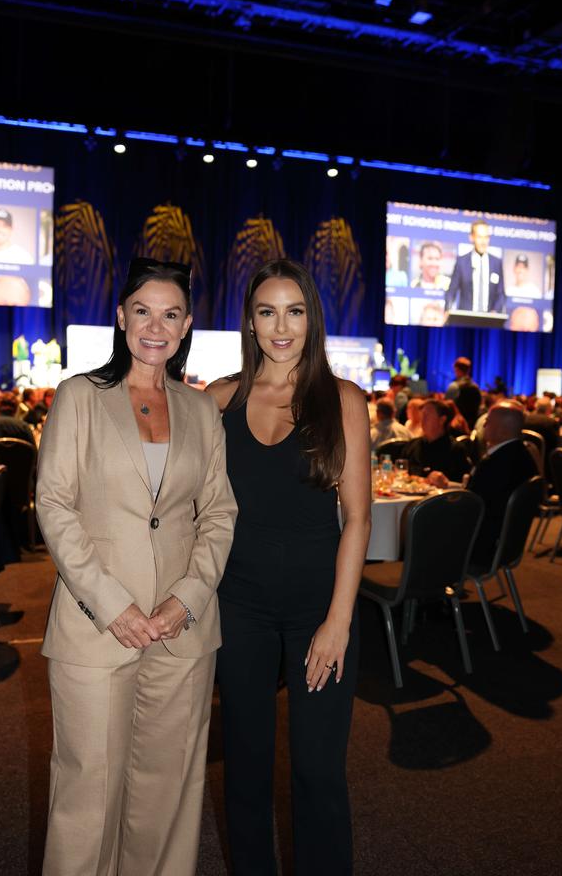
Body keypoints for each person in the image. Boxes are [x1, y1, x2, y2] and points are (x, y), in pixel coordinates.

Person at [36, 257, 236, 876]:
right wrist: (112, 603)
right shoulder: (80, 397)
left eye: (171, 314)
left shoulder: (201, 409)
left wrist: (189, 597)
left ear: (187, 325)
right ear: (121, 317)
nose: (157, 326)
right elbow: (54, 505)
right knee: (87, 795)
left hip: (182, 630)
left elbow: (218, 515)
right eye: (143, 311)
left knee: (168, 793)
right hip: (98, 628)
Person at [207, 258, 371, 876]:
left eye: (295, 311)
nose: (282, 326)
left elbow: (356, 518)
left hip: (316, 609)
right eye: (268, 311)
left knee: (317, 770)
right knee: (245, 767)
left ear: (312, 320)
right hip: (238, 606)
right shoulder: (219, 399)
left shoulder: (344, 400)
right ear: (250, 322)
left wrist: (338, 623)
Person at [466, 400, 539, 565]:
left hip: (480, 545)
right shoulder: (523, 456)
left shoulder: (495, 463)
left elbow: (473, 504)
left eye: (488, 422)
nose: (484, 426)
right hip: (507, 544)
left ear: (502, 430)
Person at [401, 398, 472, 487]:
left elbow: (464, 486)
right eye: (422, 415)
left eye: (427, 415)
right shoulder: (412, 446)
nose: (423, 419)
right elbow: (400, 473)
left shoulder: (455, 450)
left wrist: (446, 483)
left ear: (442, 420)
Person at [445, 219, 507, 314]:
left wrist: (495, 311)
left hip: (490, 320)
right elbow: (451, 292)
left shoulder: (496, 263)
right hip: (466, 319)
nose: (483, 242)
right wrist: (447, 310)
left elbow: (501, 294)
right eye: (479, 237)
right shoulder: (462, 262)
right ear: (472, 237)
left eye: (486, 237)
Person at [446, 356, 482, 427]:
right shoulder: (476, 387)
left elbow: (447, 407)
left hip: (457, 426)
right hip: (472, 425)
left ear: (456, 369)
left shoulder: (454, 386)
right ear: (468, 370)